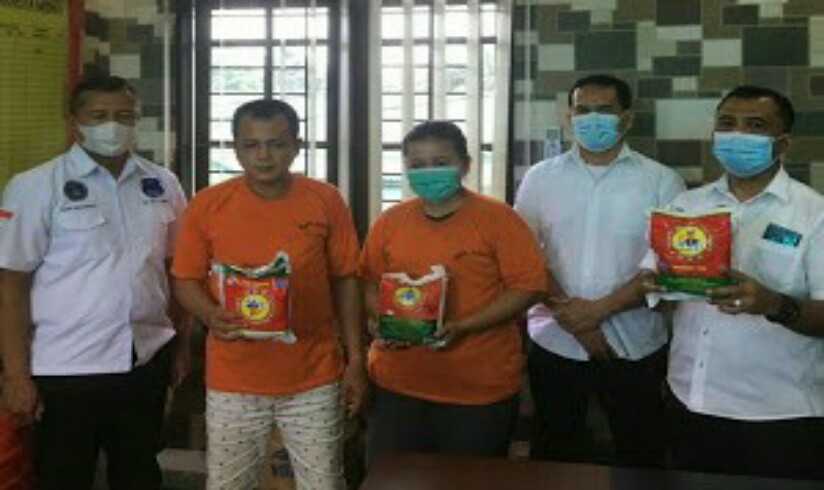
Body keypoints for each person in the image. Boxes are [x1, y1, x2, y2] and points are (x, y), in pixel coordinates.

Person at [0, 75, 190, 490]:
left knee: (139, 475)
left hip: (144, 361)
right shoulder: (34, 186)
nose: (112, 125)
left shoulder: (163, 183)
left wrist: (181, 346)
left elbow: (180, 271)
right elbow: (11, 285)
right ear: (74, 121)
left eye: (124, 115)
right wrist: (15, 375)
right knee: (62, 477)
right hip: (65, 367)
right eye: (99, 115)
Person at [171, 99, 366, 490]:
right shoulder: (207, 204)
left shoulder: (325, 199)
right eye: (251, 145)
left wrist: (356, 359)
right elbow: (185, 280)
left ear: (296, 146)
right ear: (236, 149)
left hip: (314, 376)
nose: (263, 156)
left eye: (276, 144)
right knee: (228, 484)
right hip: (234, 379)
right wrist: (210, 314)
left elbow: (346, 280)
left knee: (325, 483)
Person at [643, 85, 824, 480]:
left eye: (755, 125)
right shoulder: (686, 207)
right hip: (690, 400)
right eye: (727, 124)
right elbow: (655, 284)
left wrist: (772, 303)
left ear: (783, 143)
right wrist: (656, 282)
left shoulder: (814, 215)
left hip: (779, 415)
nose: (737, 135)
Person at [515, 74, 685, 467]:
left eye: (604, 110)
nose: (592, 119)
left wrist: (597, 311)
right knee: (555, 451)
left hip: (636, 344)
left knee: (640, 453)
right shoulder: (540, 178)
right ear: (569, 116)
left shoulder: (662, 181)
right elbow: (524, 257)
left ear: (627, 118)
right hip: (555, 340)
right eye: (583, 110)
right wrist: (576, 321)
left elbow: (668, 262)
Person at [360, 121, 546, 459]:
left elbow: (528, 287)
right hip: (397, 384)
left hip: (477, 390)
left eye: (440, 162)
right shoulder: (390, 221)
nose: (428, 172)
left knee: (469, 479)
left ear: (465, 165)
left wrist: (464, 326)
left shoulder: (499, 219)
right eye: (417, 165)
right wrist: (383, 323)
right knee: (391, 477)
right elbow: (370, 282)